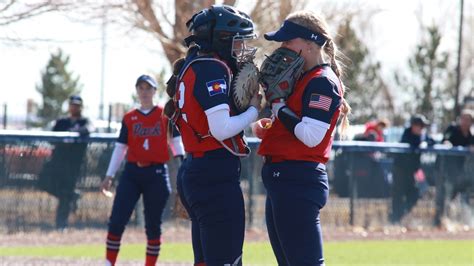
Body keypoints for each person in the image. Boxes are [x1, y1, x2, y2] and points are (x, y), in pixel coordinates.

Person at [255, 11, 351, 265]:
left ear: (309, 44)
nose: (282, 47)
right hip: (285, 179)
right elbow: (296, 125)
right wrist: (272, 127)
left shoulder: (322, 82)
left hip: (297, 180)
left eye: (288, 41)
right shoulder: (302, 78)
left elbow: (310, 136)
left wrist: (278, 106)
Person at [169, 4, 261, 265]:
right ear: (221, 40)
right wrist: (254, 110)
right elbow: (220, 129)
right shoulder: (212, 68)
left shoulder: (195, 63)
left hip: (197, 169)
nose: (241, 48)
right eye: (237, 41)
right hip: (213, 174)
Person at [100, 75, 185, 266]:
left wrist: (182, 169)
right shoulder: (129, 117)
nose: (145, 92)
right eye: (141, 88)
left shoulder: (165, 114)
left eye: (149, 88)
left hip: (156, 173)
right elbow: (120, 148)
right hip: (132, 173)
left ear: (155, 91)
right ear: (137, 91)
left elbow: (176, 142)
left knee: (153, 224)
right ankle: (108, 263)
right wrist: (109, 175)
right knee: (117, 220)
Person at [38, 95, 91, 229]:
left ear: (81, 107)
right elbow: (53, 136)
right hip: (57, 162)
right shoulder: (62, 121)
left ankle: (61, 224)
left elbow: (89, 129)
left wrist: (71, 134)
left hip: (73, 164)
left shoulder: (84, 121)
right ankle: (73, 196)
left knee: (65, 193)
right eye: (72, 104)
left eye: (77, 105)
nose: (74, 107)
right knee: (43, 182)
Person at [390, 114, 433, 224]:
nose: (421, 128)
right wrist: (421, 143)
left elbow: (431, 141)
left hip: (412, 172)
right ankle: (394, 220)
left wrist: (425, 142)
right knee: (398, 196)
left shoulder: (422, 135)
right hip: (400, 171)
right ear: (414, 126)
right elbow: (411, 142)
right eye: (420, 126)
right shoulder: (407, 134)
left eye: (423, 126)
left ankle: (400, 215)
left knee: (416, 194)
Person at [434, 109, 474, 226]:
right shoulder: (452, 129)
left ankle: (458, 222)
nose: (465, 122)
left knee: (459, 198)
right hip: (444, 171)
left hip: (460, 174)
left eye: (468, 120)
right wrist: (447, 143)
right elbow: (445, 140)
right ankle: (438, 222)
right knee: (442, 197)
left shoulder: (471, 136)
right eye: (463, 119)